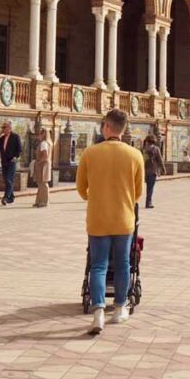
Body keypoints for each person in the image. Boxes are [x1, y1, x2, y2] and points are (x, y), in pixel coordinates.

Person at [76, 109, 144, 335]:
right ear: (123, 129)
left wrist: (94, 198)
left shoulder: (90, 153)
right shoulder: (135, 155)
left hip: (97, 218)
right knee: (123, 264)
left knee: (98, 265)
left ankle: (98, 313)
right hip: (124, 219)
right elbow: (138, 193)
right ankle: (119, 309)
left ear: (106, 126)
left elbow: (81, 189)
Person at [0, 120, 22, 205]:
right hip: (4, 162)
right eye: (2, 127)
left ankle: (5, 198)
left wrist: (15, 157)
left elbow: (19, 149)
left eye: (4, 127)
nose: (3, 129)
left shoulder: (15, 137)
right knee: (6, 180)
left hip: (12, 161)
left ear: (9, 128)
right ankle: (11, 197)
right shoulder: (2, 138)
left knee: (9, 179)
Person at [143, 134, 165, 208]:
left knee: (147, 187)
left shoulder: (144, 149)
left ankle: (147, 202)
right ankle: (148, 202)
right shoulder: (156, 149)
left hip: (144, 171)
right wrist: (163, 169)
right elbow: (160, 160)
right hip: (153, 171)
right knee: (150, 187)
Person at [33, 126, 53, 207]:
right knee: (41, 184)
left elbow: (45, 155)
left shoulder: (43, 143)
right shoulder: (48, 143)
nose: (38, 136)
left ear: (43, 134)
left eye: (39, 134)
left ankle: (44, 202)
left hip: (42, 165)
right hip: (45, 165)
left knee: (43, 184)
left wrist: (38, 162)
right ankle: (39, 201)